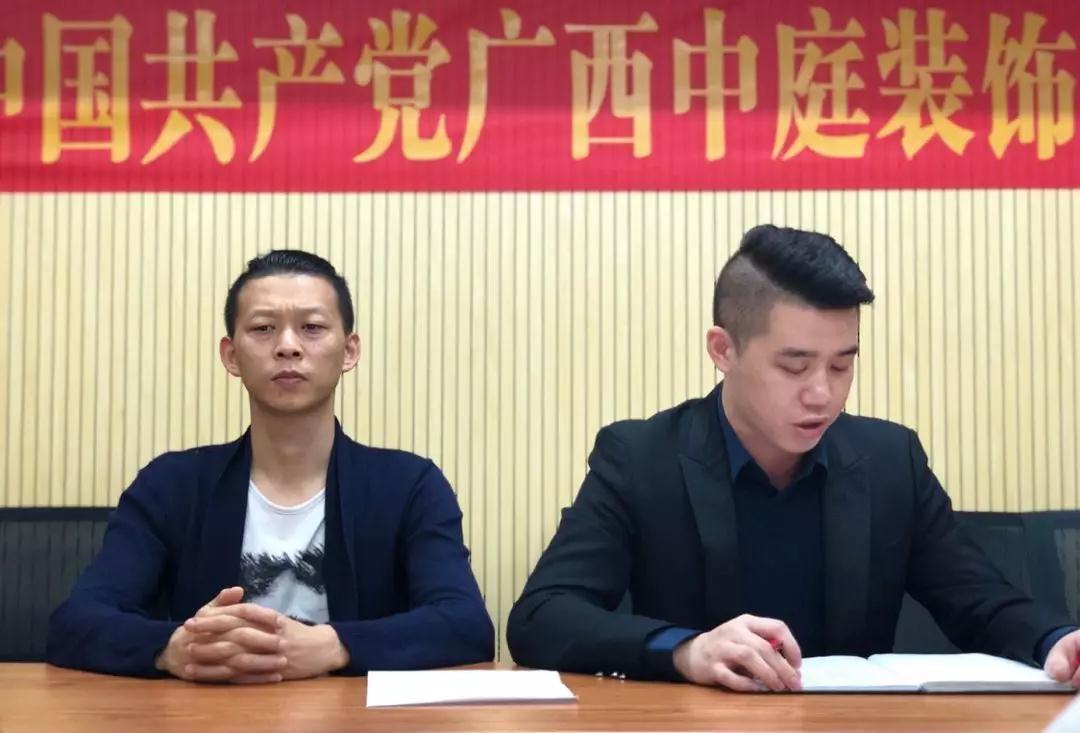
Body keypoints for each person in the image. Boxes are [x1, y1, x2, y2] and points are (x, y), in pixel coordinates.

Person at [506, 224, 1080, 691]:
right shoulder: (640, 457)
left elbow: (977, 598)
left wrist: (1054, 640)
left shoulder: (889, 460)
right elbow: (542, 616)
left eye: (841, 365)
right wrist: (685, 650)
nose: (822, 394)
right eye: (794, 366)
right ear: (723, 349)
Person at [48, 250, 494, 682]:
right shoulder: (171, 485)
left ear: (349, 351)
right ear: (231, 355)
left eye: (312, 327)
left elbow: (465, 625)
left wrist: (332, 646)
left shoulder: (409, 486)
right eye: (263, 328)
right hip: (210, 715)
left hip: (354, 717)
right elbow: (76, 622)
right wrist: (174, 648)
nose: (287, 346)